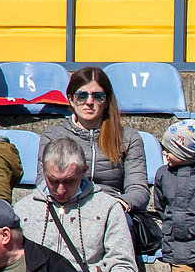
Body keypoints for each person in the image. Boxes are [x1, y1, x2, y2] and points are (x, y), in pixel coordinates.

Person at [18, 135, 141, 272]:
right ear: (42, 168)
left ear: (84, 171)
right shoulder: (22, 209)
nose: (60, 190)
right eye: (53, 181)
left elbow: (126, 268)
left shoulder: (108, 207)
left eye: (69, 181)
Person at [32, 66, 148, 221]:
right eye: (82, 96)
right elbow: (44, 183)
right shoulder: (53, 136)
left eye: (97, 96)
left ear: (106, 101)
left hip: (111, 208)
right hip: (66, 205)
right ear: (71, 100)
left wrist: (117, 206)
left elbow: (138, 189)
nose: (89, 102)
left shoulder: (127, 137)